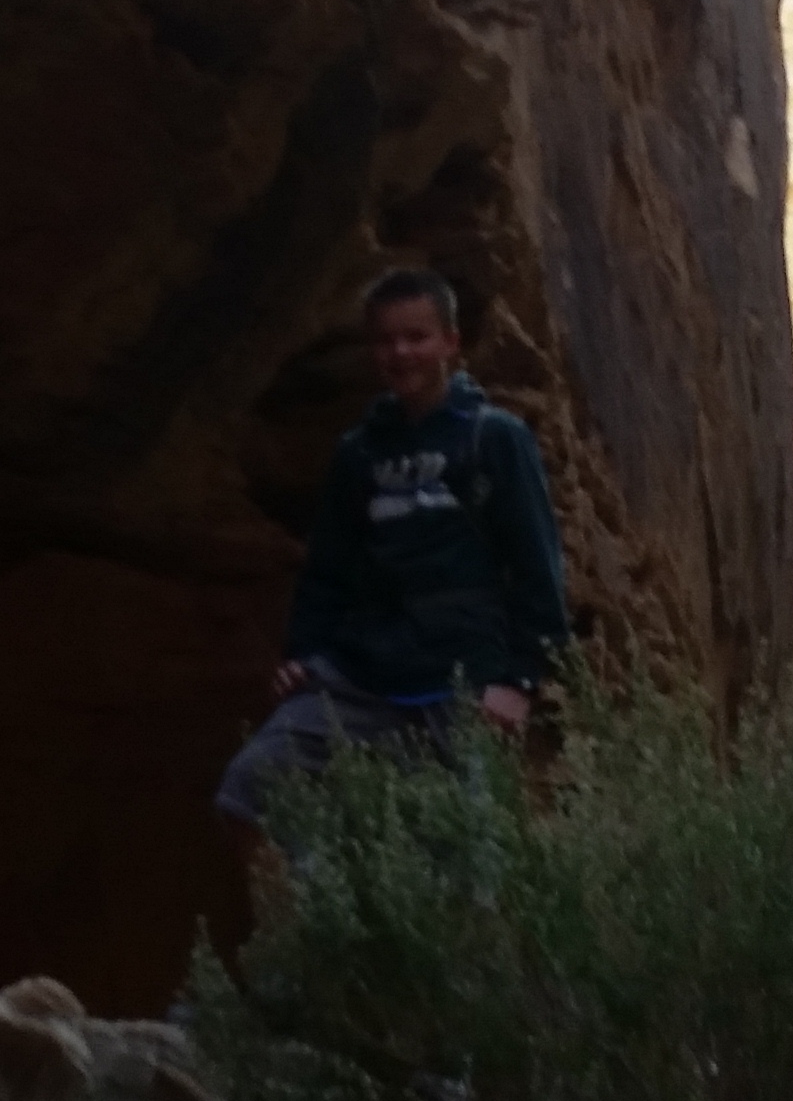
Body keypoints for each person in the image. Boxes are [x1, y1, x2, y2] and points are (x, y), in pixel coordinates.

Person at [213, 267, 570, 843]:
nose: (400, 352)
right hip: (364, 677)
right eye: (385, 340)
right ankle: (311, 927)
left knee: (468, 872)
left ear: (450, 343)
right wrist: (304, 652)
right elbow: (328, 566)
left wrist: (520, 680)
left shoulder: (494, 439)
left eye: (416, 337)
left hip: (464, 685)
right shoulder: (359, 453)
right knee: (249, 791)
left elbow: (537, 566)